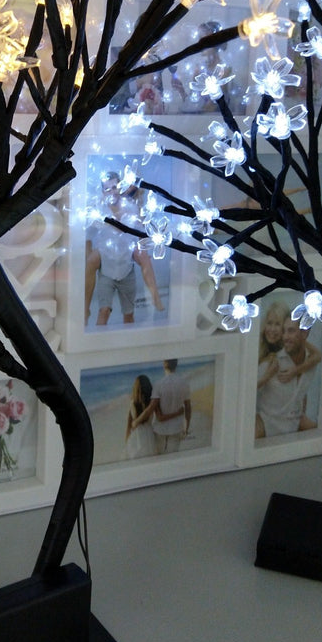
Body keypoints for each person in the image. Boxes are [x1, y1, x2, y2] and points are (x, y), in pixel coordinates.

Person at [85, 172, 164, 326]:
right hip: (106, 256)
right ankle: (85, 308)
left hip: (126, 255)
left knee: (144, 257)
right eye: (107, 189)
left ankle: (155, 297)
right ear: (103, 192)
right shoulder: (99, 209)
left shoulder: (130, 206)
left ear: (120, 187)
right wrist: (89, 256)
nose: (112, 192)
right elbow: (88, 234)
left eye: (115, 187)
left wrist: (144, 248)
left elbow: (141, 230)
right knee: (91, 262)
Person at [255, 318, 321, 439]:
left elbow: (301, 392)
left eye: (290, 331)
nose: (285, 336)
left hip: (294, 424)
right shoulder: (272, 362)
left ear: (304, 333)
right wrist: (267, 376)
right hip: (266, 423)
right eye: (284, 331)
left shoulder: (310, 361)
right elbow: (246, 391)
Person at [148, 359, 191, 453]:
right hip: (176, 428)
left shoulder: (158, 384)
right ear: (176, 364)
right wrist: (186, 428)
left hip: (159, 429)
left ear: (164, 364)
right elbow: (188, 408)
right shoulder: (184, 383)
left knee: (159, 457)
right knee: (173, 457)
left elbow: (153, 408)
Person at [124, 374, 157, 459]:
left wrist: (126, 443)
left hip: (136, 435)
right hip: (149, 433)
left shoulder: (132, 403)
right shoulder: (151, 403)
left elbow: (128, 426)